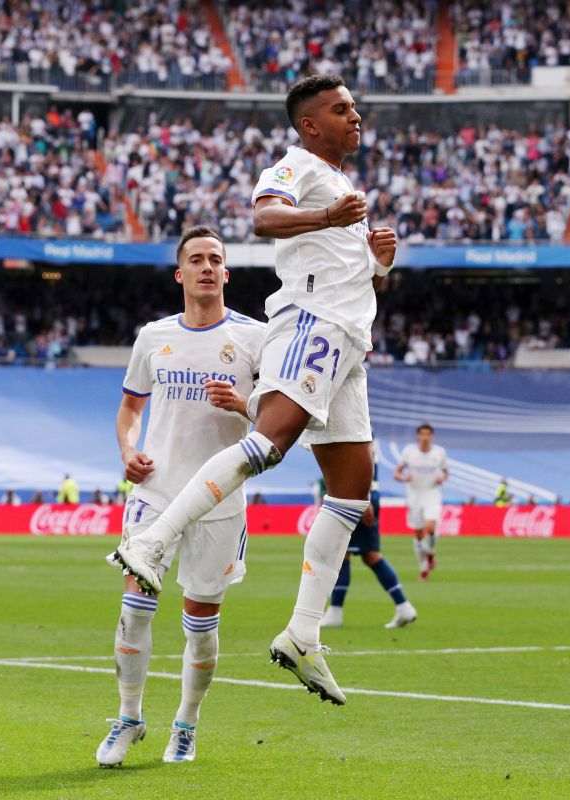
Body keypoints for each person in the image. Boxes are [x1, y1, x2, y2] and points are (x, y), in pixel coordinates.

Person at [112, 75, 398, 706]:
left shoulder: (343, 184)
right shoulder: (298, 165)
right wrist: (327, 216)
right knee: (270, 441)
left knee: (353, 490)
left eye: (354, 107)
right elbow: (264, 216)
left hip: (350, 340)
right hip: (314, 324)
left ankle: (303, 633)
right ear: (310, 125)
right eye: (341, 109)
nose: (355, 116)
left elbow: (355, 279)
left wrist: (380, 262)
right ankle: (153, 542)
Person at [98, 226, 265, 767]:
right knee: (133, 610)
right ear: (180, 273)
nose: (206, 267)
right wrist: (128, 449)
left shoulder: (256, 338)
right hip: (157, 492)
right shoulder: (153, 336)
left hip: (220, 502)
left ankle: (186, 724)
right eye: (196, 259)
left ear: (227, 273)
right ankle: (128, 717)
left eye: (215, 259)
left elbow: (283, 417)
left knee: (201, 624)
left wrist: (243, 404)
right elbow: (130, 409)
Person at [323, 443, 416, 628]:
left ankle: (335, 613)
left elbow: (360, 459)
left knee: (344, 553)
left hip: (356, 494)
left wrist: (364, 498)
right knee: (369, 555)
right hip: (362, 493)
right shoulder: (365, 429)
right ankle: (403, 607)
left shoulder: (358, 429)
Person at [394, 423, 448, 580]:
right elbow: (397, 473)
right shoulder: (409, 452)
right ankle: (424, 566)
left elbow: (446, 472)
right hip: (414, 496)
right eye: (422, 434)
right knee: (418, 534)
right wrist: (404, 478)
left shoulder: (439, 453)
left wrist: (442, 478)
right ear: (418, 436)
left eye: (428, 434)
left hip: (432, 494)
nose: (425, 437)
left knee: (430, 527)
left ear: (432, 436)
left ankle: (430, 553)